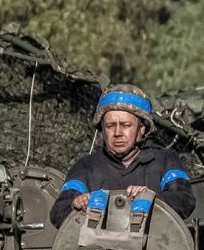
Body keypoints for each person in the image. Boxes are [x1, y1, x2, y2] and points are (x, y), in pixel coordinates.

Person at [49, 85, 195, 228]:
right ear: (103, 130)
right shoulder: (86, 166)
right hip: (96, 249)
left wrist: (151, 198)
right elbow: (58, 212)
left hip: (156, 249)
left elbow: (184, 201)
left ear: (142, 129)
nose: (117, 133)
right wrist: (75, 205)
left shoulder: (165, 160)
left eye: (126, 125)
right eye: (110, 125)